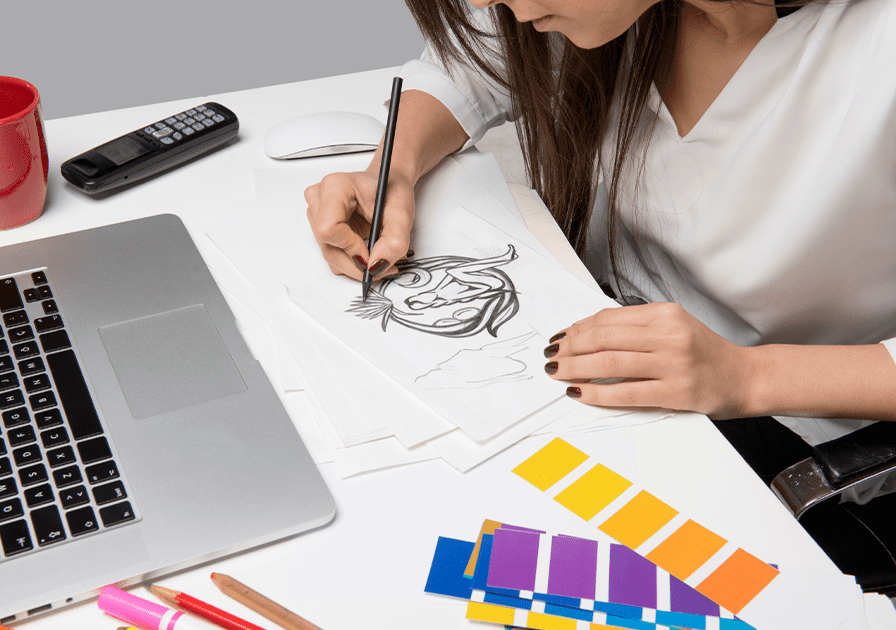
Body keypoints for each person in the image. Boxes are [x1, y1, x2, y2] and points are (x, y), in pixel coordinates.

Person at [304, 0, 895, 443]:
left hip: (784, 433)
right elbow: (475, 64)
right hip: (595, 367)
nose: (485, 2)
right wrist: (395, 169)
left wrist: (746, 376)